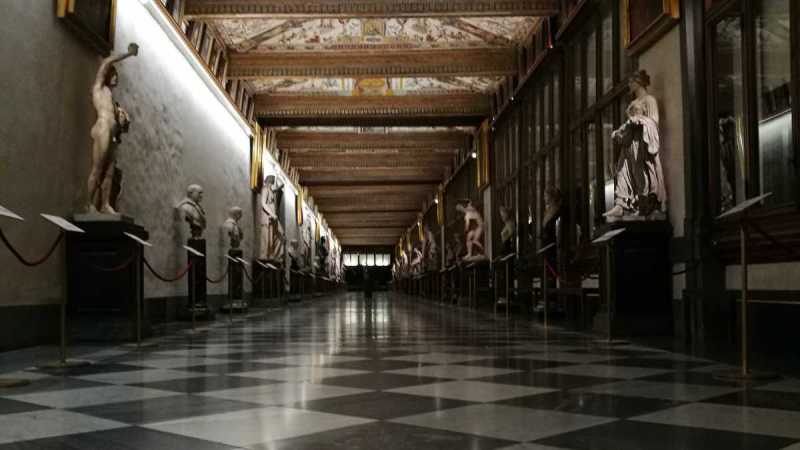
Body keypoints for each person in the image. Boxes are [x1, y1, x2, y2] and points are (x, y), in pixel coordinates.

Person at [604, 70, 666, 219]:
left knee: (640, 172)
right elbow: (628, 123)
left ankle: (645, 204)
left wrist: (639, 121)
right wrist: (620, 131)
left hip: (642, 143)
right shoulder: (633, 103)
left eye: (631, 82)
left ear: (638, 82)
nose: (629, 85)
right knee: (622, 171)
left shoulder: (649, 100)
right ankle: (621, 204)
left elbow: (654, 122)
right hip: (629, 143)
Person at [87, 43, 138, 214]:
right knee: (98, 167)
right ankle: (89, 204)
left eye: (117, 75)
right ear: (107, 75)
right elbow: (107, 62)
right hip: (103, 127)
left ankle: (105, 204)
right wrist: (128, 54)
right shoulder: (99, 89)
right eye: (114, 74)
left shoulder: (112, 99)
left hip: (113, 133)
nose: (116, 78)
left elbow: (123, 127)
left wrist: (123, 120)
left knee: (109, 172)